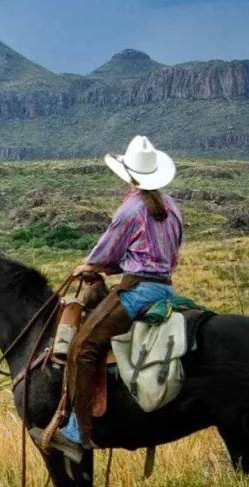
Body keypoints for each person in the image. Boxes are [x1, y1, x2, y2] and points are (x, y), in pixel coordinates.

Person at [58, 135, 184, 451]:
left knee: (84, 346)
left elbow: (106, 253)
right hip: (166, 289)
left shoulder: (131, 209)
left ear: (128, 176)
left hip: (138, 291)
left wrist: (88, 267)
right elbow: (170, 256)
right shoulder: (171, 205)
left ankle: (77, 432)